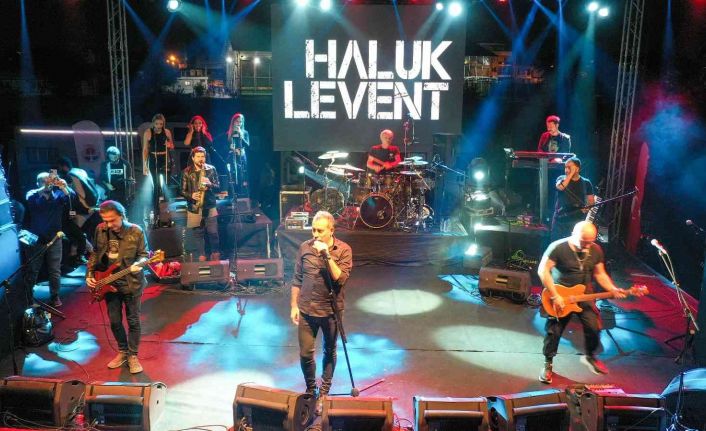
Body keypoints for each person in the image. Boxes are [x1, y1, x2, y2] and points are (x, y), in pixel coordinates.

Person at [538, 221, 627, 384]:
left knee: (594, 326)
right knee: (554, 331)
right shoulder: (558, 247)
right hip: (561, 295)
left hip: (584, 294)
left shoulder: (595, 249)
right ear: (573, 234)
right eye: (583, 242)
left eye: (590, 242)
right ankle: (548, 363)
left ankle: (590, 356)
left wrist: (613, 288)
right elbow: (543, 271)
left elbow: (600, 274)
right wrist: (555, 295)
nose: (586, 246)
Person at [290, 211, 353, 407]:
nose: (315, 235)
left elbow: (340, 278)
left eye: (320, 231)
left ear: (331, 230)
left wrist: (326, 254)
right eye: (314, 230)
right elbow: (297, 279)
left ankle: (324, 390)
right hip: (307, 310)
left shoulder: (344, 250)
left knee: (329, 351)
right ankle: (311, 389)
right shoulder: (305, 247)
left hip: (331, 312)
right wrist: (294, 305)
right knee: (305, 354)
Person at [86, 200, 149, 374]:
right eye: (105, 220)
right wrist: (90, 275)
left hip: (131, 282)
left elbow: (145, 255)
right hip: (108, 282)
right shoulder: (100, 229)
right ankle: (123, 351)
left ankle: (133, 355)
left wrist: (139, 264)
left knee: (133, 320)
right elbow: (95, 253)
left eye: (112, 220)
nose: (108, 225)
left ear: (122, 215)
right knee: (114, 321)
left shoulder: (136, 231)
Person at [24, 172, 74, 307]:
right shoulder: (32, 194)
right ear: (38, 183)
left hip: (54, 238)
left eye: (49, 181)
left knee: (55, 270)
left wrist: (64, 186)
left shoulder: (58, 195)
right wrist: (45, 187)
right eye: (43, 181)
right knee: (33, 270)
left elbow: (71, 197)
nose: (48, 184)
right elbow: (30, 201)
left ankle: (55, 297)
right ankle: (28, 298)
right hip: (37, 239)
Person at [180, 146, 220, 261]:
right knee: (198, 234)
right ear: (193, 158)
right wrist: (191, 195)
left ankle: (215, 253)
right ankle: (201, 255)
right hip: (194, 207)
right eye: (198, 156)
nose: (201, 159)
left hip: (210, 205)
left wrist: (210, 184)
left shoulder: (211, 169)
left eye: (203, 156)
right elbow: (181, 191)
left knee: (213, 233)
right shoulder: (186, 172)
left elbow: (218, 187)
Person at [58, 157, 98, 265]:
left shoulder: (71, 176)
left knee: (78, 234)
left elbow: (79, 196)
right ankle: (78, 254)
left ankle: (86, 254)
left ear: (63, 166)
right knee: (79, 234)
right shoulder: (79, 171)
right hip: (88, 208)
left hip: (82, 210)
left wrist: (83, 209)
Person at [551, 156, 595, 240]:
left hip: (576, 222)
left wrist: (587, 207)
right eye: (565, 167)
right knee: (556, 244)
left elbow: (591, 202)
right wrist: (570, 174)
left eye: (569, 167)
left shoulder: (586, 183)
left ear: (577, 169)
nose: (566, 170)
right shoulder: (561, 179)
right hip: (560, 221)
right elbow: (560, 187)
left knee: (572, 245)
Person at [142, 114, 174, 224]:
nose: (159, 126)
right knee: (156, 186)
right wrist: (144, 165)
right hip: (153, 159)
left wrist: (169, 144)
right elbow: (145, 149)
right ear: (153, 123)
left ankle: (167, 211)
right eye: (157, 124)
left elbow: (172, 146)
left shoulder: (167, 132)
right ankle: (156, 211)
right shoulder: (148, 132)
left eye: (161, 124)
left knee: (166, 185)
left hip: (164, 159)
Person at [226, 112, 250, 197]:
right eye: (237, 121)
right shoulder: (229, 133)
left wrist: (241, 135)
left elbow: (247, 145)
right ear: (233, 122)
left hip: (242, 156)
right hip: (232, 156)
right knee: (233, 174)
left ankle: (242, 193)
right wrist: (231, 148)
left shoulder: (245, 132)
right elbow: (225, 146)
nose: (239, 123)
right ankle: (233, 193)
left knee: (242, 173)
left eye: (240, 121)